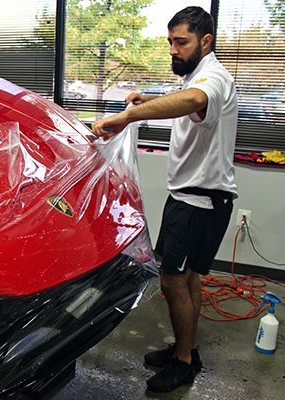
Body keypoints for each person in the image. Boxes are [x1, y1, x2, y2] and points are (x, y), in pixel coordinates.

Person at [91, 6, 238, 393]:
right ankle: (186, 347)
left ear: (205, 41)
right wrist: (148, 99)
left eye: (181, 42)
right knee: (186, 278)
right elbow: (184, 95)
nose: (173, 49)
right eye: (170, 42)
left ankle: (185, 363)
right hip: (193, 197)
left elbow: (191, 101)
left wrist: (127, 118)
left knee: (173, 281)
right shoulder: (201, 74)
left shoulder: (215, 78)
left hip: (200, 201)